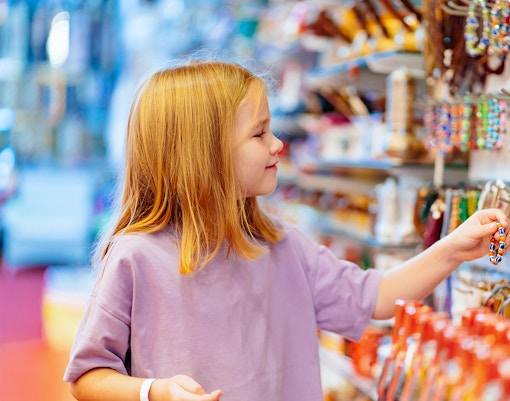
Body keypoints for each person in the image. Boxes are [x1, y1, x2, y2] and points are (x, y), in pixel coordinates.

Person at [63, 59, 509, 401]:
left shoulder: (280, 244)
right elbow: (87, 376)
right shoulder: (135, 257)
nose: (277, 144)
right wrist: (154, 391)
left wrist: (452, 249)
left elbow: (374, 297)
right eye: (259, 134)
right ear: (204, 155)